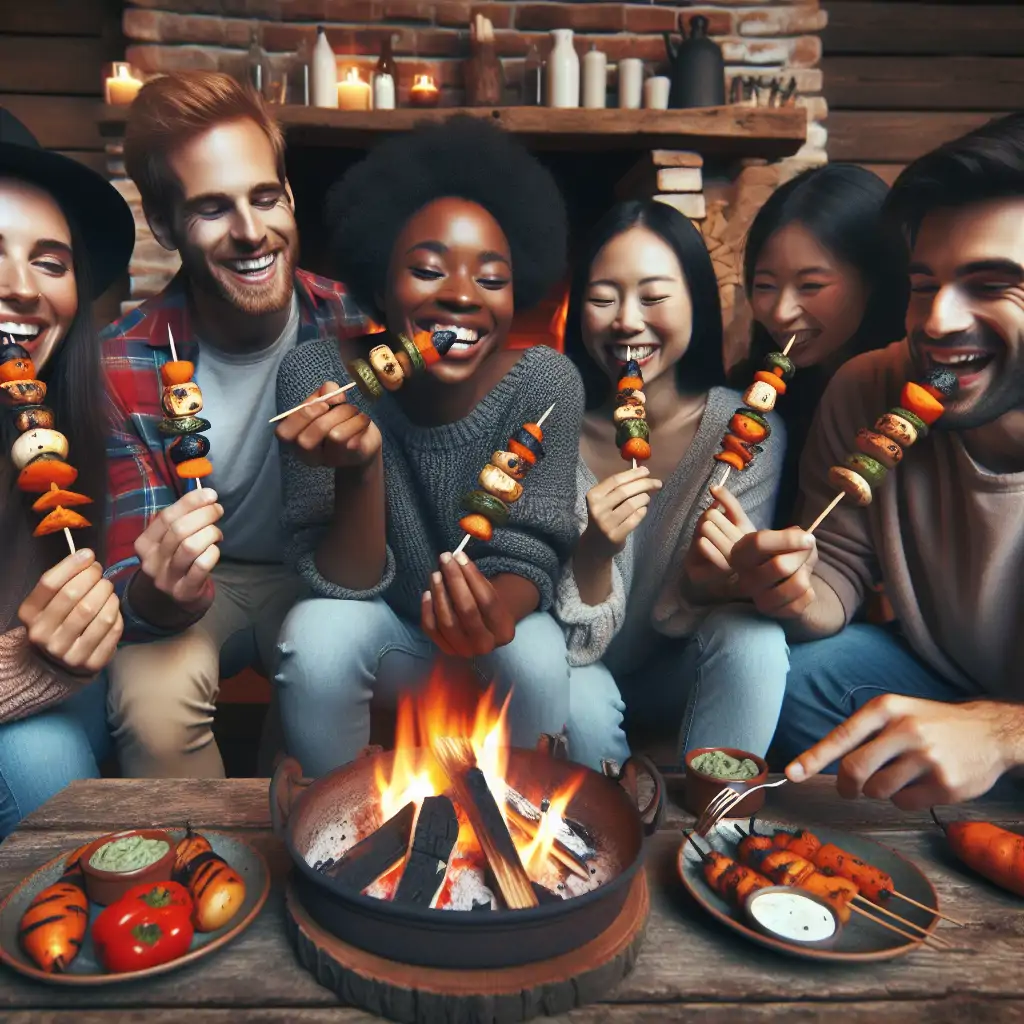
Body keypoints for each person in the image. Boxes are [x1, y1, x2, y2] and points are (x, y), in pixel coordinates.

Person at [729, 112, 1024, 809]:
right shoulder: (868, 388)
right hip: (945, 673)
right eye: (925, 285)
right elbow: (836, 569)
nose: (939, 321)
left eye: (990, 284)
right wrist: (796, 590)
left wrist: (1001, 733)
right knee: (787, 683)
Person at [272, 116, 583, 776]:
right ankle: (336, 817)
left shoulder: (546, 383)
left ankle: (522, 824)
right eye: (427, 270)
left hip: (494, 640)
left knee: (535, 650)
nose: (462, 295)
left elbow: (534, 555)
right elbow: (343, 586)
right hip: (384, 640)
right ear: (381, 284)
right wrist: (361, 467)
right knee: (315, 633)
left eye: (491, 280)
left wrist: (492, 612)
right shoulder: (316, 376)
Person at [101, 72, 368, 778]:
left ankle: (320, 831)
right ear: (165, 227)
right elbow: (129, 580)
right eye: (213, 208)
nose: (251, 233)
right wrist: (154, 593)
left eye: (264, 198)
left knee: (331, 661)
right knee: (152, 702)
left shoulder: (357, 324)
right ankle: (197, 842)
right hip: (202, 590)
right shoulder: (119, 361)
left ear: (289, 196)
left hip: (320, 578)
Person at [554, 200, 790, 771]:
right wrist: (594, 553)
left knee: (754, 639)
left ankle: (718, 809)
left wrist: (709, 585)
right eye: (602, 299)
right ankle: (608, 813)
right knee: (575, 693)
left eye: (654, 297)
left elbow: (688, 612)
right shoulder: (548, 431)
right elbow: (561, 641)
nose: (626, 321)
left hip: (682, 671)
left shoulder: (747, 430)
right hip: (578, 669)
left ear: (697, 303)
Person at [0, 109, 134, 836]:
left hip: (59, 691)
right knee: (40, 756)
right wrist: (25, 669)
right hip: (26, 706)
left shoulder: (63, 430)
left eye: (50, 263)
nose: (22, 288)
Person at [733, 165, 908, 526]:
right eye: (765, 285)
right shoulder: (745, 398)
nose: (780, 313)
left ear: (876, 280)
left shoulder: (905, 403)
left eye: (811, 286)